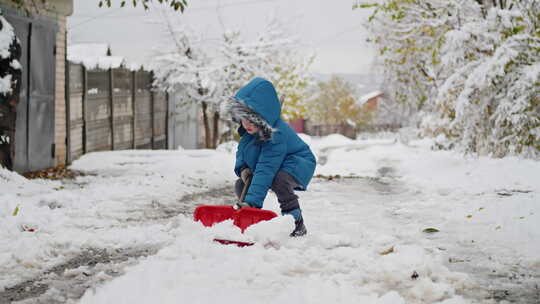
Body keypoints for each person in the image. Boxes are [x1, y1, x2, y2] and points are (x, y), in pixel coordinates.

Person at [226, 77, 316, 237]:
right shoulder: (248, 133)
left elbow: (266, 168)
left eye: (251, 119)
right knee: (241, 184)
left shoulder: (276, 135)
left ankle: (296, 223)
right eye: (243, 118)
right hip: (277, 163)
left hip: (298, 162)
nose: (246, 124)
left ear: (262, 117)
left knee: (278, 180)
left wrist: (252, 203)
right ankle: (249, 219)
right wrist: (244, 170)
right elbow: (242, 154)